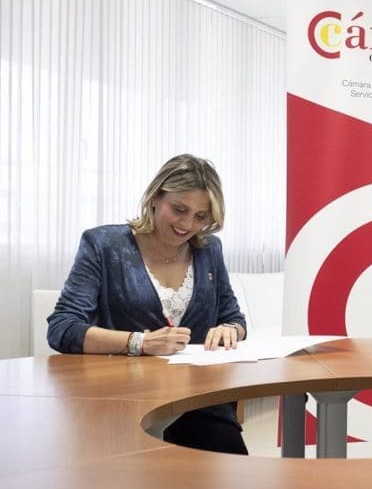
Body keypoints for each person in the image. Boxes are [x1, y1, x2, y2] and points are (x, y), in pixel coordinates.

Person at [47, 153, 249, 455]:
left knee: (228, 466)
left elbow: (233, 317)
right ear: (155, 197)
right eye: (179, 209)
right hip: (124, 399)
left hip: (199, 400)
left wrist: (230, 330)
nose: (187, 224)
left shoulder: (209, 250)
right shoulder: (104, 246)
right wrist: (140, 343)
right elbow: (62, 328)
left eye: (200, 217)